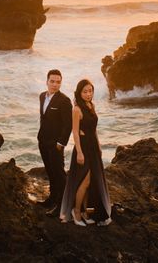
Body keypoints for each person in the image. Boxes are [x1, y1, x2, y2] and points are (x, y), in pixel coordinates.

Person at [59, 79, 112, 226]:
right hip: (83, 148)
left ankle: (84, 211)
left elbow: (94, 129)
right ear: (79, 92)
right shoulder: (76, 109)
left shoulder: (91, 105)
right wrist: (80, 152)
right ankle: (76, 212)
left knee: (91, 182)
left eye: (90, 91)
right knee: (85, 181)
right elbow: (75, 133)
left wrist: (99, 146)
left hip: (93, 147)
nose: (88, 94)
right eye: (85, 91)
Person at [36, 69, 73, 216]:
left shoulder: (64, 101)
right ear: (47, 81)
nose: (55, 84)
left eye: (58, 82)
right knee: (50, 172)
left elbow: (68, 125)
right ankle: (52, 198)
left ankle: (62, 206)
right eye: (52, 81)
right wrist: (40, 137)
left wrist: (61, 143)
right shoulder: (41, 97)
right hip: (43, 141)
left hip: (55, 144)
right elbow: (43, 118)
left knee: (59, 174)